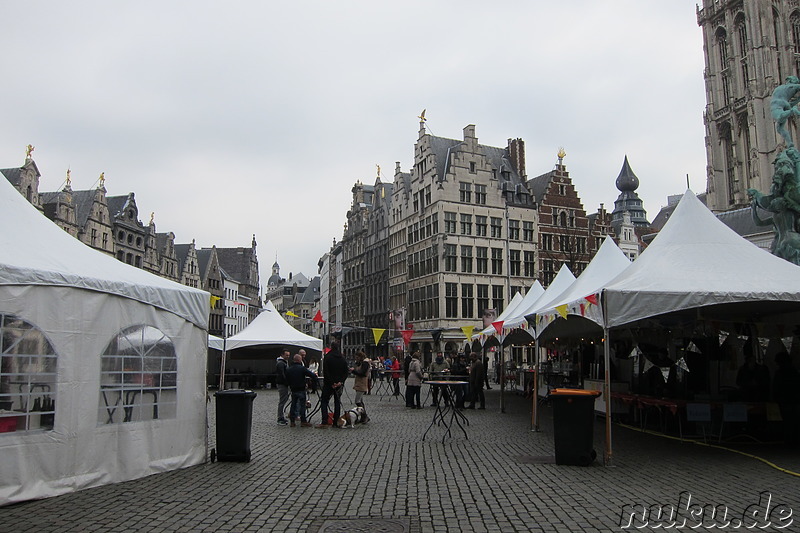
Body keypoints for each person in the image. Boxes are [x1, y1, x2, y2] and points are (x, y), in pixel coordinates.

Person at [317, 341, 349, 428]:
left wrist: (332, 383)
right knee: (337, 402)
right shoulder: (342, 358)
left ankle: (324, 421)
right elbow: (346, 372)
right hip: (339, 384)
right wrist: (340, 382)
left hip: (329, 384)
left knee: (324, 401)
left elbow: (326, 371)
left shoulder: (328, 357)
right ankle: (335, 422)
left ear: (331, 347)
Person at [773, 351, 800, 444]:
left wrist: (776, 397)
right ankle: (794, 439)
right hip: (793, 399)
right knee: (794, 419)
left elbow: (776, 387)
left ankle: (789, 439)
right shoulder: (794, 371)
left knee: (788, 420)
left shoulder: (780, 373)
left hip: (785, 399)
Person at [285, 354, 316, 427]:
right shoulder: (302, 368)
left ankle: (292, 421)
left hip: (293, 389)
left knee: (293, 405)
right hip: (301, 389)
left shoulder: (289, 369)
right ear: (299, 360)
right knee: (302, 406)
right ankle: (303, 421)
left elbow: (286, 379)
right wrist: (315, 377)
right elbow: (311, 375)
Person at [351, 351, 371, 420]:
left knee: (357, 401)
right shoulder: (361, 363)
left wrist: (353, 371)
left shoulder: (365, 364)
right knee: (360, 400)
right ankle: (363, 417)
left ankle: (364, 416)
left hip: (362, 383)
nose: (356, 359)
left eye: (357, 357)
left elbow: (362, 373)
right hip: (358, 383)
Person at [275, 349, 291, 426]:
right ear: (282, 355)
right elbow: (282, 375)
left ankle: (281, 416)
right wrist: (287, 382)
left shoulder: (283, 362)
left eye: (288, 355)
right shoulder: (281, 363)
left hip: (283, 383)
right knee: (282, 401)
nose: (288, 356)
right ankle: (280, 417)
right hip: (282, 384)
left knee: (284, 400)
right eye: (286, 355)